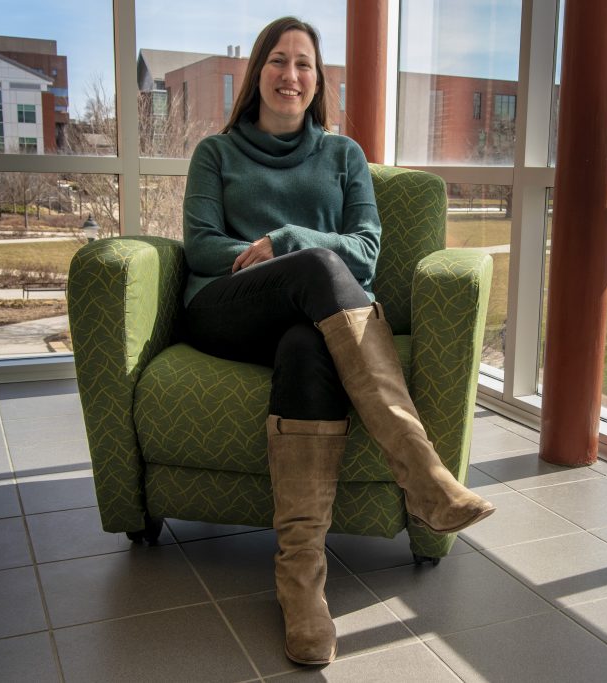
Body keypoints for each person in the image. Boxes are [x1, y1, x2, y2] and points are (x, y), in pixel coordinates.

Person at [181, 17, 494, 666]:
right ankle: (420, 469)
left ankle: (302, 590)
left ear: (318, 81)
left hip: (312, 323)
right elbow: (202, 245)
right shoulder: (216, 153)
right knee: (319, 267)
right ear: (256, 73)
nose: (289, 74)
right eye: (277, 60)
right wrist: (275, 257)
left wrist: (289, 243)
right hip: (225, 309)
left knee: (305, 343)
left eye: (303, 64)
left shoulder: (343, 156)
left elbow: (369, 251)